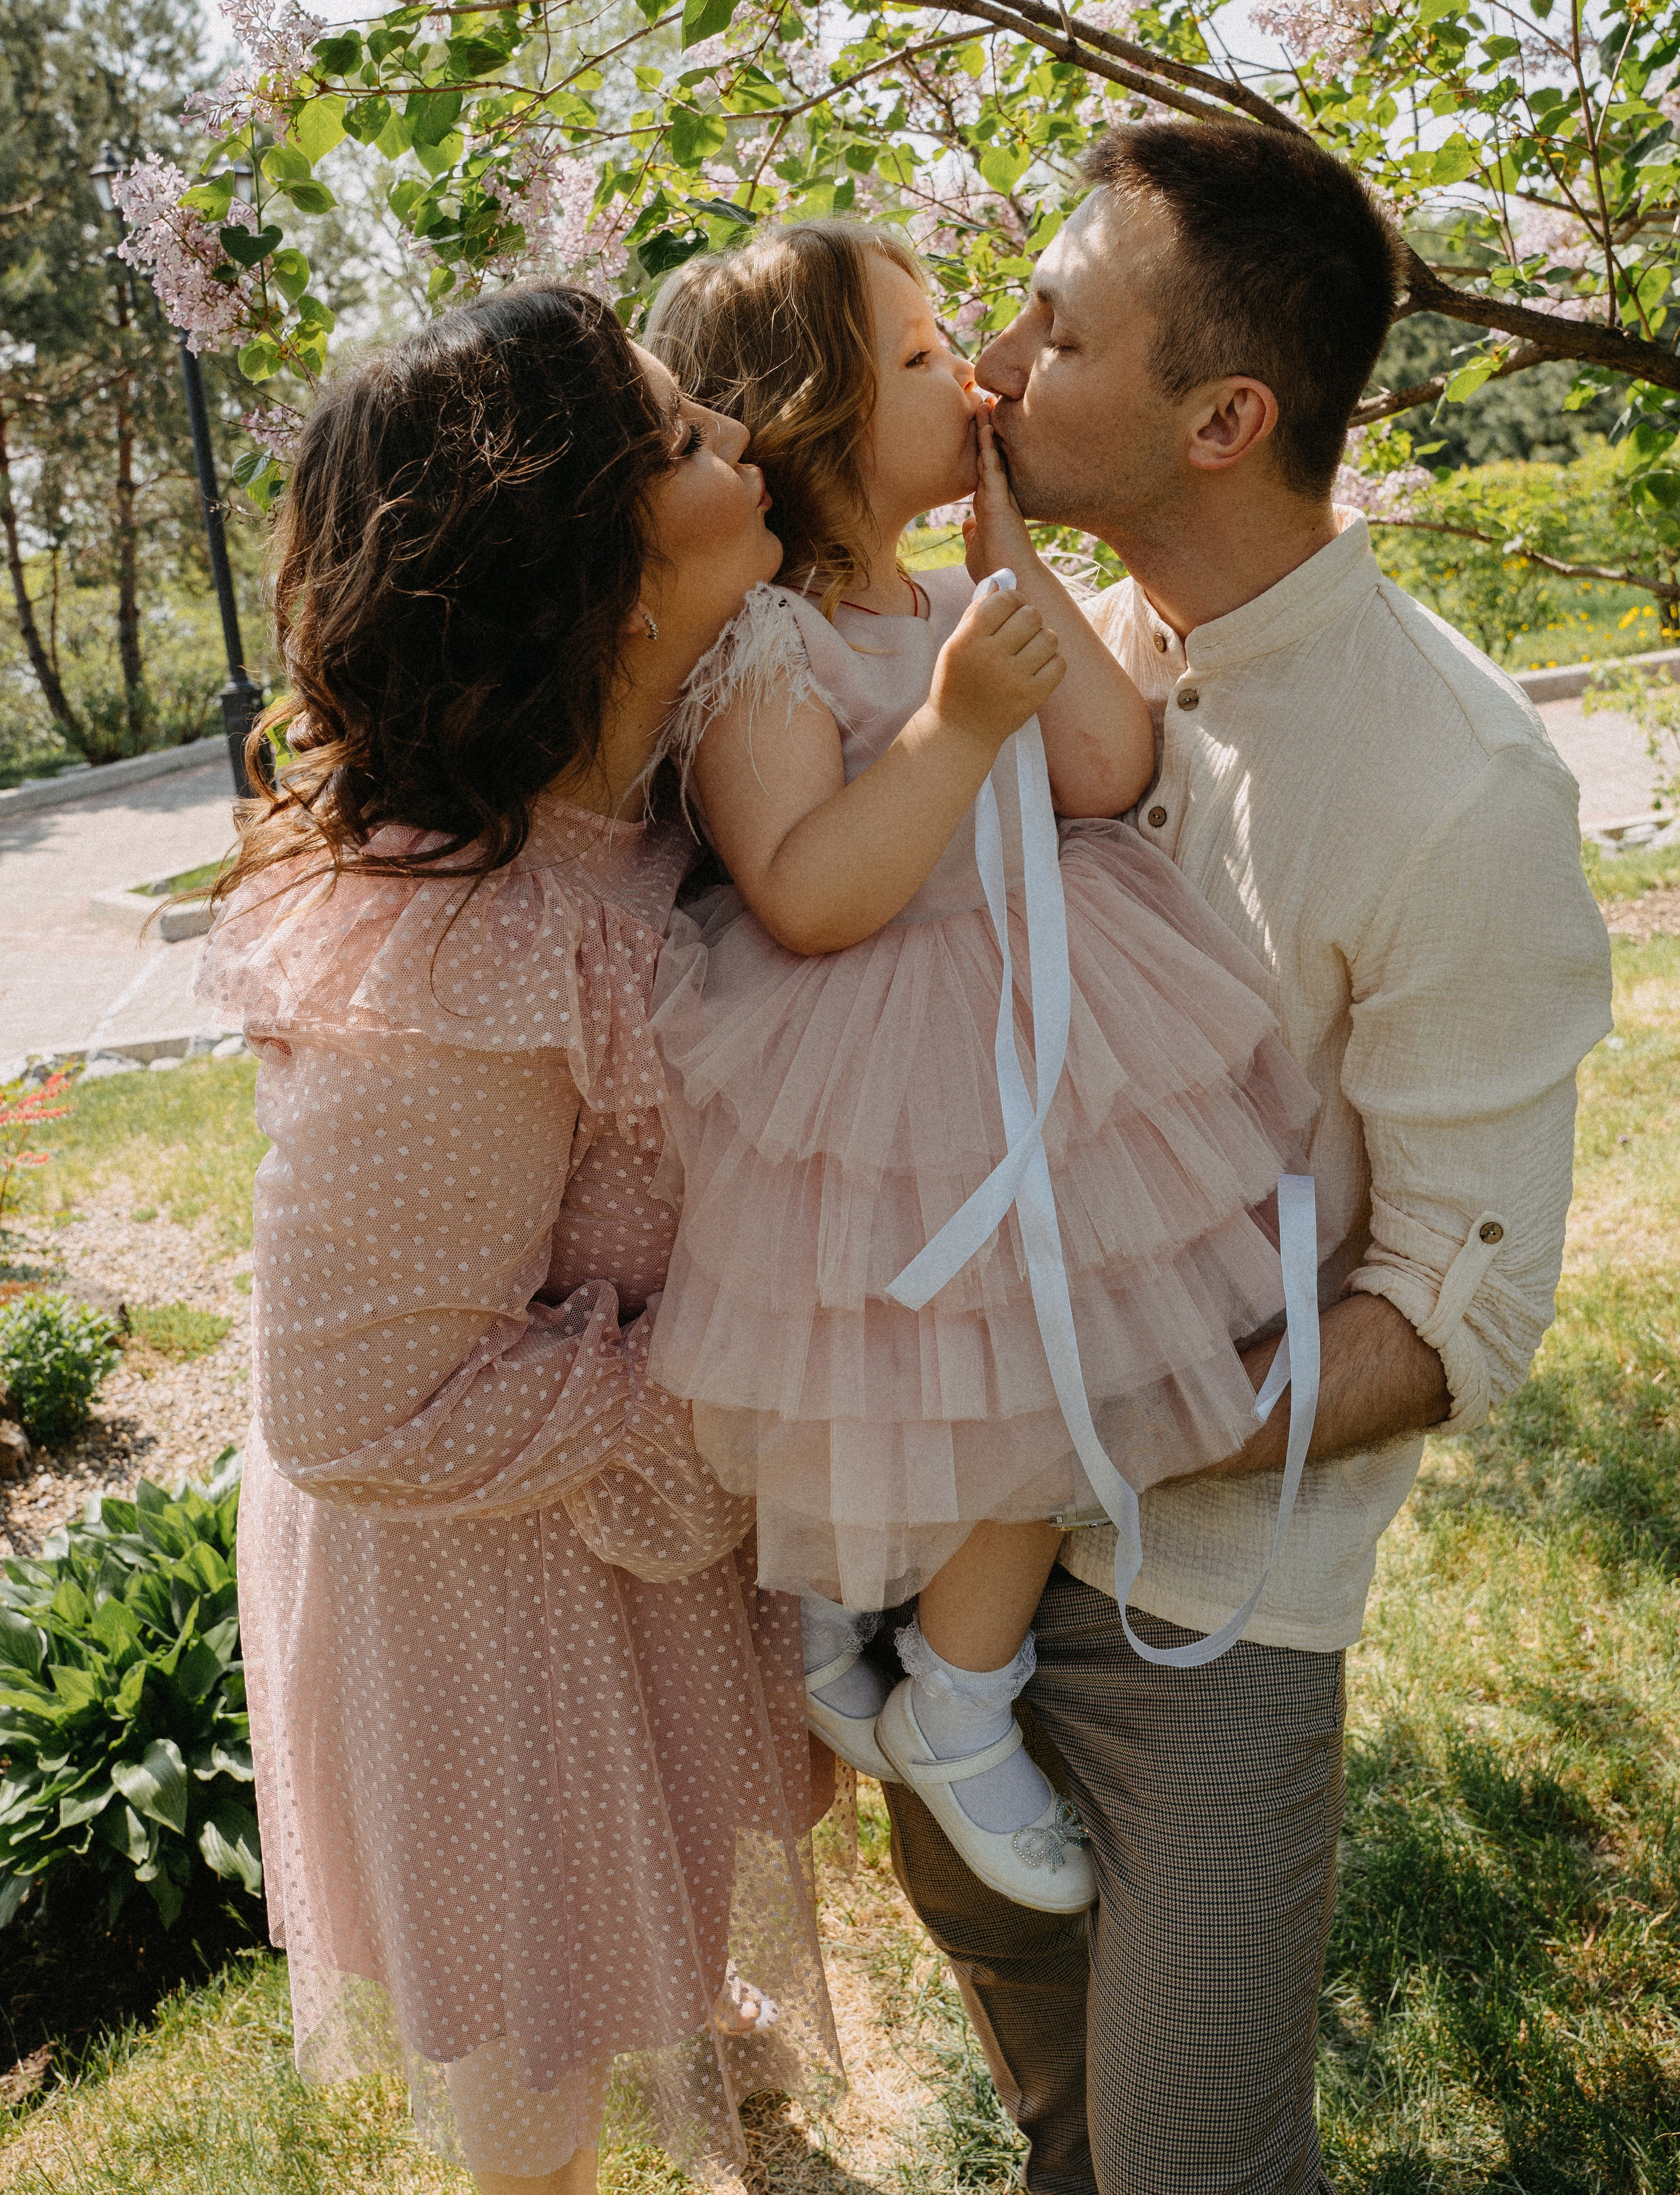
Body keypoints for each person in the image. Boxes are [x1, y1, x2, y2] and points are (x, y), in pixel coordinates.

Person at [879, 120, 1614, 2195]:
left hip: (1207, 1611)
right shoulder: (1058, 659)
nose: (1000, 369)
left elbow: (1465, 1307)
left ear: (1224, 417)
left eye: (1059, 331)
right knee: (1064, 2127)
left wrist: (1084, 1430)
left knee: (1198, 2162)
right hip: (939, 1593)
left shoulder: (1458, 791)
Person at [196, 283, 841, 2195]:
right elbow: (352, 1406)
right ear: (609, 582)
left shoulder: (640, 807)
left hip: (585, 1541)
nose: (736, 437)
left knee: (670, 1953)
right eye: (686, 440)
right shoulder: (461, 954)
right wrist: (735, 1377)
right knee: (542, 2088)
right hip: (482, 1599)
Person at [639, 221, 1317, 1917]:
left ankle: (936, 1669)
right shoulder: (766, 648)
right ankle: (944, 1674)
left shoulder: (961, 596)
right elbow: (801, 890)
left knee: (1060, 1360)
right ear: (815, 422)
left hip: (1037, 1029)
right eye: (930, 360)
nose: (980, 374)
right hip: (869, 1074)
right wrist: (949, 724)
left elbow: (1104, 760)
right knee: (993, 1379)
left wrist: (1012, 572)